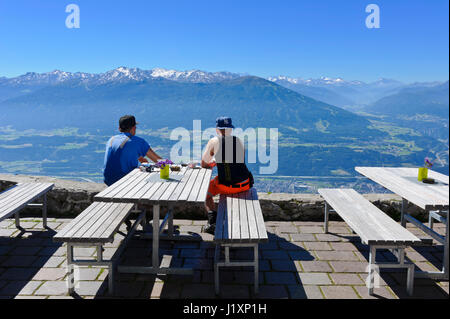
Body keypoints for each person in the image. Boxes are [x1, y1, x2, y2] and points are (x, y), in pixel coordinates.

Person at [201, 117, 254, 234]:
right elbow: (237, 163)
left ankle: (212, 223)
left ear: (217, 129)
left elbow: (204, 164)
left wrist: (214, 162)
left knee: (204, 193)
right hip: (245, 184)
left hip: (227, 186)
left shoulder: (214, 141)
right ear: (231, 129)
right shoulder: (239, 141)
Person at [103, 115, 164, 186]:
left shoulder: (111, 139)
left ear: (119, 128)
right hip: (123, 180)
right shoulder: (139, 142)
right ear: (134, 128)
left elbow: (123, 153)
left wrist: (142, 160)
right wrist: (172, 166)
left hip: (108, 180)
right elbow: (158, 160)